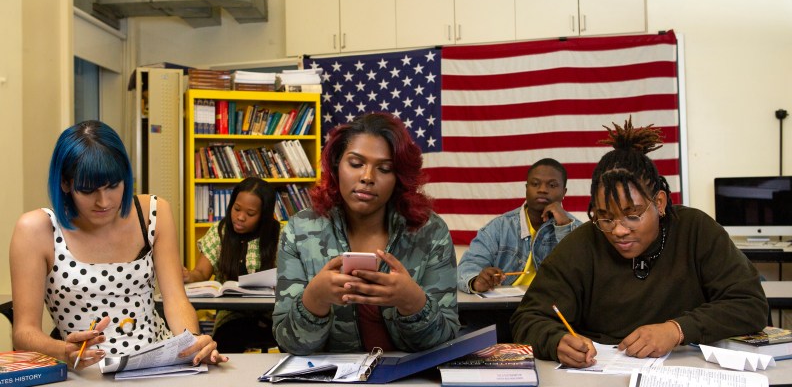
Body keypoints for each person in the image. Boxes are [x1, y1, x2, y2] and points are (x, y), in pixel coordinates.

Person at [510, 118, 768, 368]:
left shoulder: (696, 230)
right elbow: (528, 318)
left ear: (659, 203)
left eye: (632, 215)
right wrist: (555, 341)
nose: (619, 230)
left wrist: (677, 330)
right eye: (605, 217)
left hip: (687, 368)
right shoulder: (581, 244)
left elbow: (750, 304)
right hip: (600, 373)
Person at [9, 120, 227, 370]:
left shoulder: (154, 212)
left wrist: (192, 344)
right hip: (86, 370)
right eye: (88, 190)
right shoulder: (36, 230)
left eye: (114, 186)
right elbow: (24, 332)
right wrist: (63, 350)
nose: (104, 201)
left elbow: (176, 299)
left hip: (159, 362)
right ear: (65, 184)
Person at [273, 112, 460, 355]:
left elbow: (443, 342)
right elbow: (289, 343)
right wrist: (314, 299)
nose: (367, 177)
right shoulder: (300, 230)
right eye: (356, 163)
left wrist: (413, 302)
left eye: (384, 168)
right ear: (336, 165)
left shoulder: (430, 231)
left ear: (399, 178)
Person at [457, 158, 582, 342]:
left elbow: (583, 275)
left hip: (552, 316)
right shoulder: (499, 227)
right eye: (535, 184)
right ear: (526, 188)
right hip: (500, 314)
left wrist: (564, 226)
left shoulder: (576, 229)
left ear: (564, 192)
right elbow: (466, 267)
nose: (542, 189)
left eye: (552, 185)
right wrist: (477, 281)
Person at [183, 177, 280, 353]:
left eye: (250, 214)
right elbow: (201, 273)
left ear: (264, 215)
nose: (240, 217)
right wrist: (189, 276)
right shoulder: (220, 231)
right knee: (227, 341)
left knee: (292, 339)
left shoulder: (278, 236)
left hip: (273, 315)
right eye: (236, 209)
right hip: (232, 317)